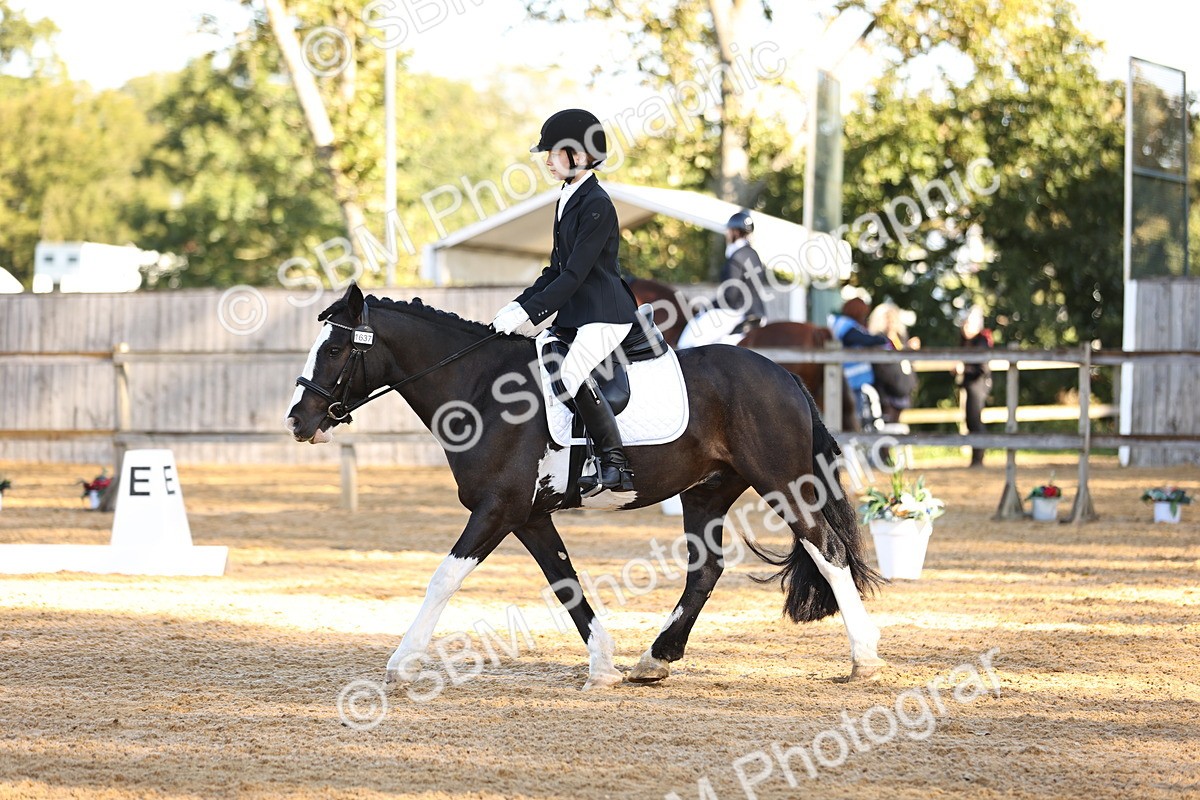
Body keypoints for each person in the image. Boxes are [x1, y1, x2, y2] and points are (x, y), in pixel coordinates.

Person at [491, 108, 638, 495]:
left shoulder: (597, 204)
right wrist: (519, 305)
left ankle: (615, 464)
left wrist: (533, 312)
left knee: (570, 376)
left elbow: (576, 275)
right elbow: (556, 268)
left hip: (605, 314)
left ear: (579, 155)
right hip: (578, 314)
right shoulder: (567, 196)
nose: (547, 161)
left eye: (554, 153)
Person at [829, 297, 891, 427]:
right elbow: (858, 339)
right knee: (854, 415)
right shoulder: (845, 324)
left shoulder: (843, 323)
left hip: (851, 380)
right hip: (850, 379)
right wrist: (880, 340)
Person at [958, 306, 994, 468]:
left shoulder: (981, 341)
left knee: (975, 421)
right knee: (971, 421)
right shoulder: (967, 341)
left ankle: (978, 458)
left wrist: (963, 369)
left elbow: (981, 367)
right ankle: (976, 458)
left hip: (977, 385)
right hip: (970, 385)